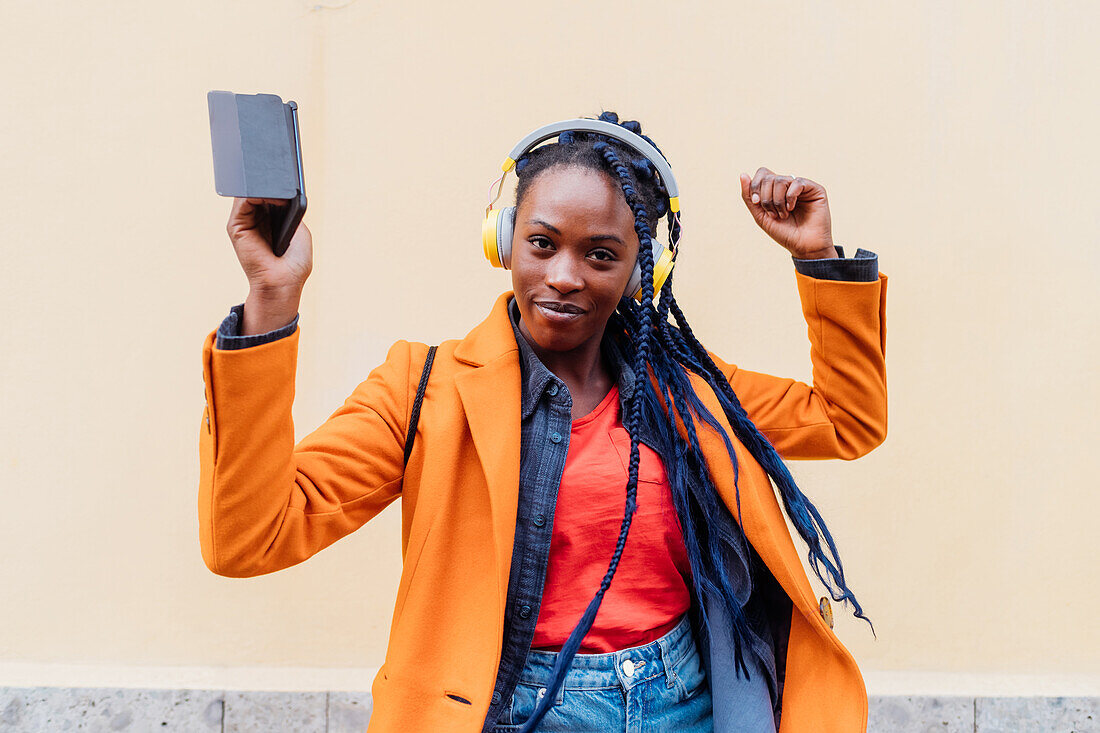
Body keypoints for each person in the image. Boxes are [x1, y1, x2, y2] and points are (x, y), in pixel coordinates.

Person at [197, 111, 888, 733]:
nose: (564, 275)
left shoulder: (687, 388)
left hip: (688, 700)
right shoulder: (424, 390)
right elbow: (250, 537)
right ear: (502, 241)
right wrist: (272, 299)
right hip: (522, 708)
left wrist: (815, 258)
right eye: (541, 243)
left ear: (641, 270)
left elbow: (847, 418)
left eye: (600, 254)